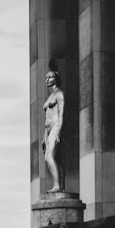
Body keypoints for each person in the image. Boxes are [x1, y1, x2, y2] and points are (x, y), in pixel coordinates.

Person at [42, 60, 65, 193]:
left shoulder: (59, 94)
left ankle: (57, 185)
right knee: (57, 158)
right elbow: (47, 119)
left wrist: (58, 133)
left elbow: (61, 114)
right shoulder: (50, 95)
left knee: (49, 157)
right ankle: (59, 185)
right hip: (48, 129)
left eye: (50, 77)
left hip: (56, 127)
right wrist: (44, 137)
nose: (47, 79)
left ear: (56, 79)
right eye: (46, 77)